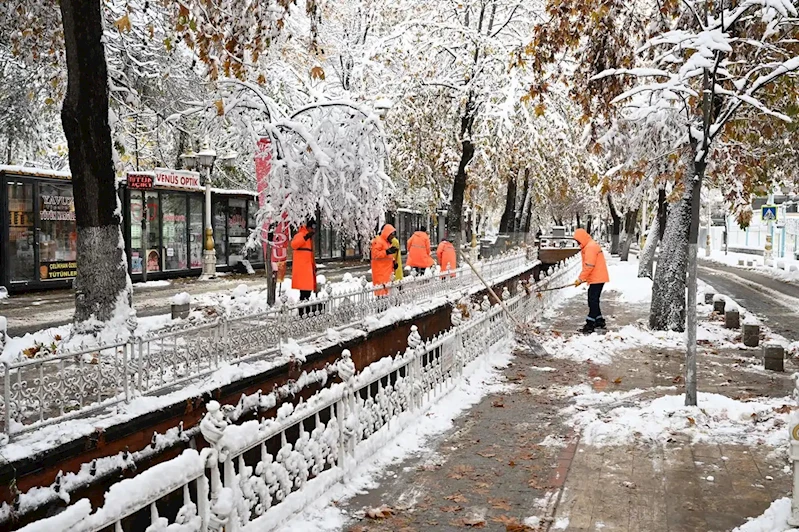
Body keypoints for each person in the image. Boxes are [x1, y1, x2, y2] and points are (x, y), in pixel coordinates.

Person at [573, 228, 609, 334]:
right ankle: (599, 321)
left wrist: (580, 279)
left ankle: (590, 324)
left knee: (592, 300)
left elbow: (589, 265)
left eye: (578, 241)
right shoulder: (590, 245)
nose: (578, 243)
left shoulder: (590, 247)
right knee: (594, 299)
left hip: (597, 278)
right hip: (597, 277)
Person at [291, 219, 317, 315]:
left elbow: (311, 254)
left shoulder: (309, 238)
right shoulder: (301, 235)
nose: (313, 231)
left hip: (307, 267)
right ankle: (302, 310)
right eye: (312, 228)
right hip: (302, 268)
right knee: (304, 290)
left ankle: (305, 308)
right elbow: (294, 245)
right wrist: (305, 237)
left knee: (307, 290)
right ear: (308, 227)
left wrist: (314, 265)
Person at [371, 224, 398, 297]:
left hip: (386, 271)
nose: (393, 237)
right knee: (381, 291)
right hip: (380, 271)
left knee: (386, 290)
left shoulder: (387, 242)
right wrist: (387, 252)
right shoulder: (378, 241)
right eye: (391, 234)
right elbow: (375, 254)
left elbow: (388, 257)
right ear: (387, 233)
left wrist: (393, 263)